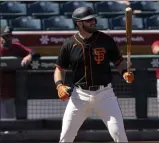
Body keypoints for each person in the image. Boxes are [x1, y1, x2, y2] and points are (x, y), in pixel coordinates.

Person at [54, 6, 134, 143]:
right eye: (89, 20)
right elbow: (59, 69)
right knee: (66, 136)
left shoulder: (106, 40)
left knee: (119, 135)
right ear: (79, 23)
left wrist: (125, 72)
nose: (93, 22)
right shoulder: (69, 44)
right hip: (79, 96)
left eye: (93, 19)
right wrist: (59, 86)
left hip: (105, 94)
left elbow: (119, 62)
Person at [0, 26, 40, 120]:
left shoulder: (16, 47)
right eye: (4, 36)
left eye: (9, 36)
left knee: (8, 120)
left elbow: (35, 53)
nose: (7, 39)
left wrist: (29, 56)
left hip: (7, 91)